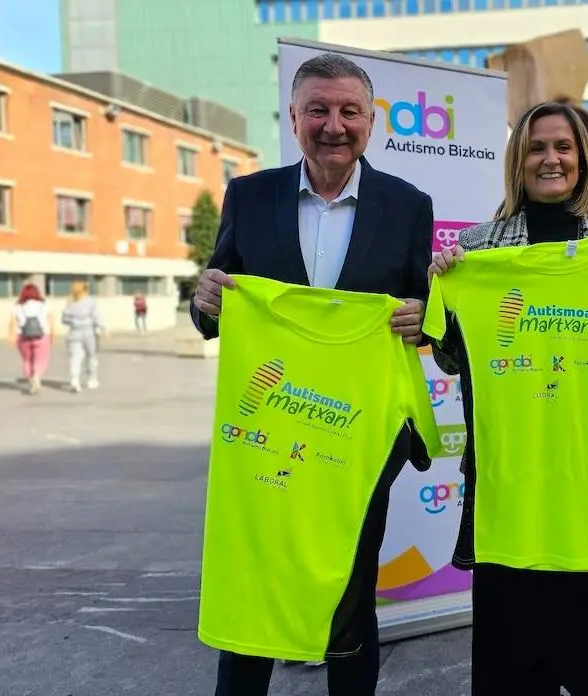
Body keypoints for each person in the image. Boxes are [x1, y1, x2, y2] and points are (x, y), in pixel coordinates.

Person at [427, 101, 588, 696]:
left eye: (563, 147)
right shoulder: (477, 252)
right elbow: (452, 359)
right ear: (518, 161)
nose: (551, 159)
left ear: (582, 159)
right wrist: (444, 285)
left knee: (585, 667)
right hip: (508, 491)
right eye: (537, 148)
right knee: (504, 668)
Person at [190, 51, 434, 696]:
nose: (334, 124)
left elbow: (428, 308)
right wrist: (205, 300)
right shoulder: (249, 194)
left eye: (349, 110)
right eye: (318, 110)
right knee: (256, 572)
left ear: (371, 119)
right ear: (294, 117)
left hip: (356, 435)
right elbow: (218, 303)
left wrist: (423, 318)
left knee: (352, 581)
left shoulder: (409, 205)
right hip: (268, 427)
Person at [8, 282, 54, 395]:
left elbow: (12, 323)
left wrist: (11, 338)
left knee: (27, 360)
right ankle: (37, 376)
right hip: (42, 336)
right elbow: (51, 321)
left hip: (23, 337)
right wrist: (52, 335)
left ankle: (31, 380)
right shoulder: (44, 305)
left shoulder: (17, 307)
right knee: (41, 360)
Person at [60, 280, 105, 392]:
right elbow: (96, 315)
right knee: (91, 355)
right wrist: (102, 326)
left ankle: (74, 379)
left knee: (75, 357)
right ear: (84, 290)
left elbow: (64, 320)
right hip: (89, 331)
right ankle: (92, 378)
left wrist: (74, 321)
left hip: (74, 332)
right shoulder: (90, 301)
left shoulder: (69, 303)